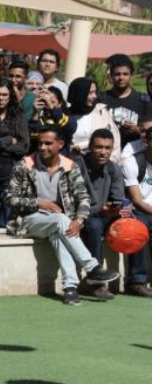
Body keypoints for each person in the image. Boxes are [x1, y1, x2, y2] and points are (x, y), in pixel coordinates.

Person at [7, 127, 119, 305]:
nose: (42, 147)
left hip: (58, 223)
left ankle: (70, 288)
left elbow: (83, 198)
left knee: (59, 231)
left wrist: (79, 220)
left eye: (48, 143)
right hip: (28, 220)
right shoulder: (24, 165)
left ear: (60, 144)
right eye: (40, 143)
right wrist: (39, 203)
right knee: (60, 221)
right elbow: (10, 198)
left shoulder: (70, 166)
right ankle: (92, 267)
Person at [75, 129, 125, 301]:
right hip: (82, 217)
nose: (103, 152)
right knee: (94, 226)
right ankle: (96, 281)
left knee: (135, 223)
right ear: (90, 147)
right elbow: (73, 204)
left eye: (107, 148)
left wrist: (117, 208)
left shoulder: (114, 169)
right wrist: (98, 209)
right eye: (98, 147)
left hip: (106, 216)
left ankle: (137, 280)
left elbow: (119, 198)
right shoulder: (77, 166)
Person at [0, 80, 27, 226]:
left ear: (10, 96)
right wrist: (8, 140)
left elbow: (23, 147)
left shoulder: (18, 117)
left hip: (10, 171)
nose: (0, 98)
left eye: (4, 94)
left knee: (6, 216)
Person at [120, 127, 152, 297]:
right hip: (138, 210)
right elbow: (137, 199)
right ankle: (137, 281)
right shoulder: (132, 162)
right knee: (139, 227)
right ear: (146, 142)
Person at [101, 54, 149, 144]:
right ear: (111, 76)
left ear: (131, 76)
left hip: (135, 152)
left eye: (125, 74)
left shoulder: (144, 100)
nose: (121, 78)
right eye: (117, 74)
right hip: (106, 151)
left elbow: (149, 133)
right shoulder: (101, 99)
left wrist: (136, 130)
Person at [68, 77, 120, 156]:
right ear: (80, 94)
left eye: (95, 92)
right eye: (90, 93)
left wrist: (112, 160)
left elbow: (115, 140)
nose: (95, 96)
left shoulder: (101, 112)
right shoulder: (64, 115)